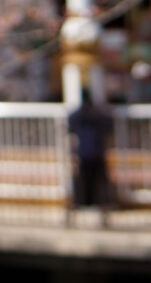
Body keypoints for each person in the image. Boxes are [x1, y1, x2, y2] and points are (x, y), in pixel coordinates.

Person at [67, 91, 114, 219]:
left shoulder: (76, 116)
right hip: (98, 154)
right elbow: (109, 129)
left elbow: (71, 134)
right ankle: (103, 214)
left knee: (81, 185)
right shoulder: (99, 115)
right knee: (100, 186)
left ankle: (74, 213)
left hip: (83, 154)